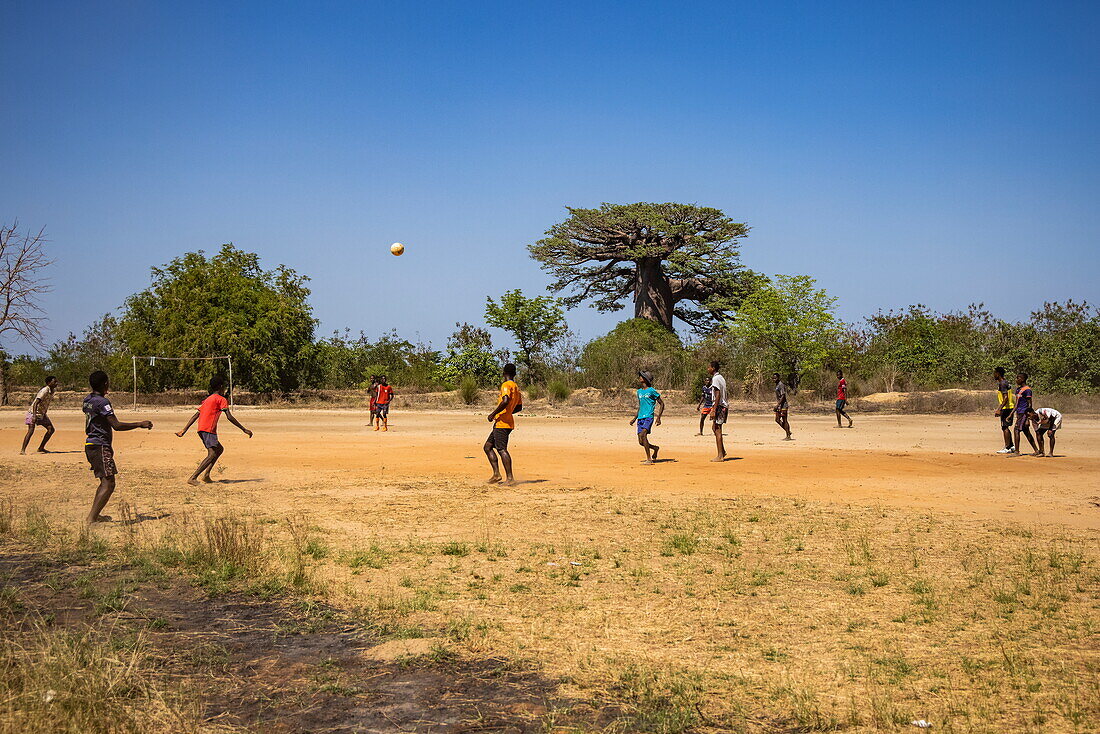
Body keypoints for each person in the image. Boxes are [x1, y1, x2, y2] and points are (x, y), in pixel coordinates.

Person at [83, 370, 153, 523]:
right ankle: (92, 518)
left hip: (91, 444)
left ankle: (94, 516)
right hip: (100, 445)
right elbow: (116, 425)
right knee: (109, 483)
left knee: (104, 482)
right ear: (105, 384)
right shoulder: (103, 402)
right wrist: (140, 424)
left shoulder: (88, 400)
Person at [175, 376, 252, 485]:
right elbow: (229, 417)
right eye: (224, 386)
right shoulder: (221, 399)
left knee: (219, 449)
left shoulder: (208, 399)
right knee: (212, 453)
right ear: (221, 387)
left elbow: (195, 415)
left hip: (201, 429)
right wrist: (244, 429)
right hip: (208, 429)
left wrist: (184, 430)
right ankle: (193, 478)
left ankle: (206, 475)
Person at [484, 363, 521, 486]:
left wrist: (493, 413)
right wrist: (508, 411)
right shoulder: (516, 387)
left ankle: (510, 478)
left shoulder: (506, 385)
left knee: (501, 449)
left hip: (502, 423)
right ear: (514, 374)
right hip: (505, 422)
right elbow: (519, 407)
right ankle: (496, 474)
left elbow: (505, 401)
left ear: (504, 373)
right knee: (488, 447)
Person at [630, 370, 665, 464]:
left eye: (641, 376)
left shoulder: (652, 391)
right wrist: (634, 418)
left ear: (646, 379)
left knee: (643, 435)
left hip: (649, 417)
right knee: (641, 442)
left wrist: (659, 417)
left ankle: (649, 459)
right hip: (640, 417)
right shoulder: (639, 392)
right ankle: (655, 448)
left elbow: (662, 404)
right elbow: (641, 406)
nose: (640, 377)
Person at [21, 375, 58, 454]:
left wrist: (43, 414)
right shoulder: (44, 390)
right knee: (31, 431)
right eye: (54, 382)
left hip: (42, 414)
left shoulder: (52, 391)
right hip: (33, 413)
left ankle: (41, 448)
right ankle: (23, 450)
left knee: (51, 429)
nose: (56, 383)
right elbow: (35, 403)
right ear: (49, 383)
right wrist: (34, 416)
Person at [1012, 372, 1038, 456]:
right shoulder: (1018, 390)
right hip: (1019, 413)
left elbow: (1030, 404)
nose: (1016, 380)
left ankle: (1016, 451)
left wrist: (1028, 418)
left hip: (1024, 413)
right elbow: (1017, 404)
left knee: (1016, 430)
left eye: (1018, 378)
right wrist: (1011, 414)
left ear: (1023, 379)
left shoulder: (1027, 390)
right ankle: (1036, 450)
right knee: (1026, 432)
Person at [707, 361, 728, 461]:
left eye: (709, 367)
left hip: (719, 406)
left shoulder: (715, 379)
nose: (708, 369)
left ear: (713, 368)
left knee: (718, 430)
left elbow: (718, 393)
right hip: (722, 405)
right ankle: (722, 451)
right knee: (714, 428)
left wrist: (714, 410)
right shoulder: (721, 378)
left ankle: (720, 456)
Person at [993, 366, 1016, 454]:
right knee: (1005, 427)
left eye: (995, 373)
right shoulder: (1006, 382)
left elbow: (1005, 398)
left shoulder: (1002, 384)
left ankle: (1007, 447)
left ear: (998, 374)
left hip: (1007, 408)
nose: (994, 375)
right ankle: (1011, 446)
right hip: (1009, 407)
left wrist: (999, 409)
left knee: (1004, 427)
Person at [773, 373, 792, 440]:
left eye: (775, 378)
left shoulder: (781, 385)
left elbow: (783, 396)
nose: (774, 379)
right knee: (777, 420)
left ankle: (788, 435)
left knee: (784, 420)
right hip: (779, 406)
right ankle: (788, 431)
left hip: (783, 406)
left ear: (778, 378)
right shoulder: (777, 385)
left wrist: (778, 405)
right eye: (773, 378)